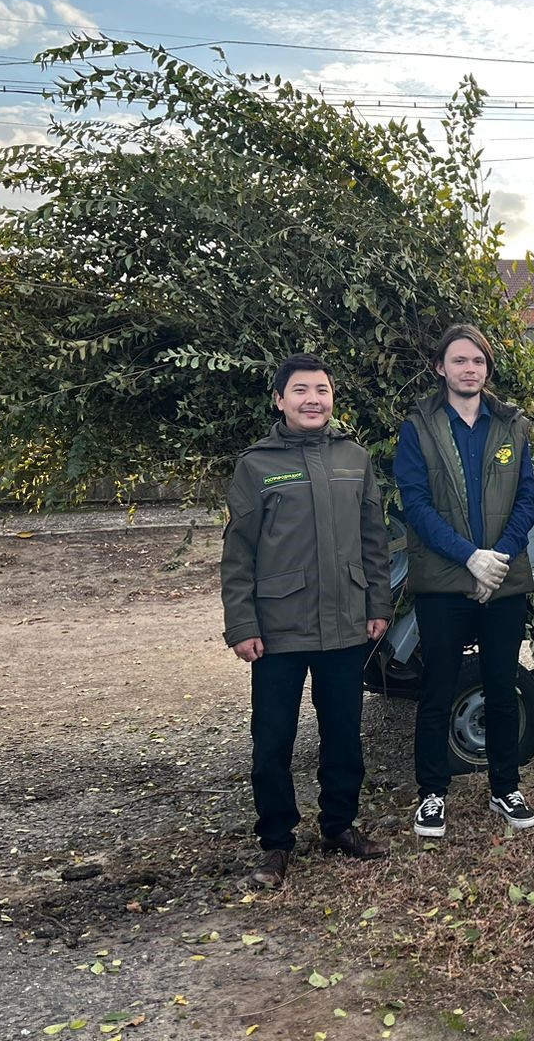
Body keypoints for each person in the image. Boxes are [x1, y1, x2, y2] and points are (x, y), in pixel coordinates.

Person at [221, 353, 393, 890]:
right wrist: (241, 624)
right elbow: (238, 552)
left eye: (321, 389)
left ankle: (339, 826)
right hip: (278, 630)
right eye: (300, 390)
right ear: (280, 400)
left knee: (344, 734)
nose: (312, 399)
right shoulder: (257, 465)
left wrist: (379, 605)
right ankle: (276, 843)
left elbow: (373, 541)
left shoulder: (354, 458)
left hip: (345, 623)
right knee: (272, 739)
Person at [395, 324, 534, 840]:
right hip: (443, 581)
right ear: (441, 368)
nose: (469, 369)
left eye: (477, 361)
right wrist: (468, 558)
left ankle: (506, 787)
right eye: (458, 361)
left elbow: (528, 497)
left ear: (486, 369)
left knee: (502, 687)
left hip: (504, 577)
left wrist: (497, 557)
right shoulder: (419, 428)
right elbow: (416, 504)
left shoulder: (511, 426)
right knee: (437, 690)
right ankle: (432, 794)